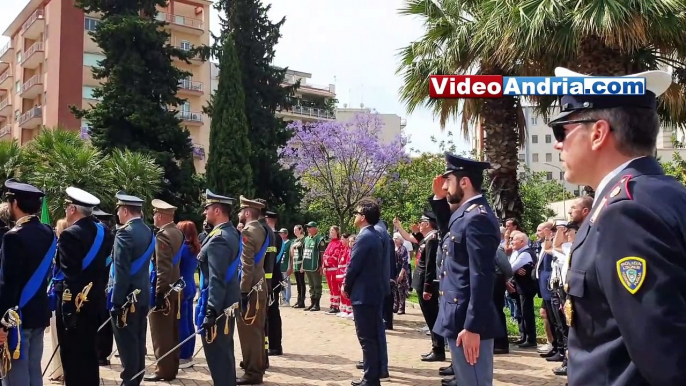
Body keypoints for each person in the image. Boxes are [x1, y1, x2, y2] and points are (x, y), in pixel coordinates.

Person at [548, 67, 686, 386]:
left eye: (562, 131)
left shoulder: (625, 213)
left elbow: (664, 356)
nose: (558, 146)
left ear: (598, 133)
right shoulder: (665, 194)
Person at [433, 154, 501, 386]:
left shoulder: (477, 218)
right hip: (459, 317)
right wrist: (439, 199)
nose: (444, 186)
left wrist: (472, 326)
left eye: (447, 180)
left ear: (464, 182)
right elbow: (448, 233)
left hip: (468, 322)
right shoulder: (466, 214)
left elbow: (481, 275)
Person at [0, 179, 55, 386]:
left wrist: (2, 323)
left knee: (14, 372)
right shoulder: (48, 232)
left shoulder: (13, 237)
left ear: (14, 204)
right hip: (38, 311)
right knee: (33, 368)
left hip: (16, 316)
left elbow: (8, 284)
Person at [54, 188, 110, 386]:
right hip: (95, 301)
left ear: (72, 209)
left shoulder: (70, 235)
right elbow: (105, 267)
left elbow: (71, 276)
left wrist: (68, 310)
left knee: (72, 358)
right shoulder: (104, 231)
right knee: (89, 355)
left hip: (75, 304)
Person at [109, 191, 155, 386]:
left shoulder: (124, 233)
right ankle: (136, 377)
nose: (118, 214)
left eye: (119, 210)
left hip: (127, 297)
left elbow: (121, 271)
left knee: (126, 342)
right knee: (137, 340)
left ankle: (129, 380)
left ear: (125, 210)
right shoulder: (147, 230)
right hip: (142, 294)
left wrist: (116, 302)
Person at [196, 190, 241, 386]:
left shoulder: (219, 238)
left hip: (219, 304)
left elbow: (217, 278)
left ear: (216, 210)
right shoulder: (230, 232)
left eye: (207, 209)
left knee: (218, 355)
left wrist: (211, 310)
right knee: (223, 351)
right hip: (227, 300)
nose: (205, 213)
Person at [343, 198, 385, 386]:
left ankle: (370, 378)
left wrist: (346, 287)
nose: (355, 216)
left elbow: (354, 267)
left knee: (367, 338)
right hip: (372, 293)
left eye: (357, 213)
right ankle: (372, 376)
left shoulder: (364, 236)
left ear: (364, 217)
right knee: (372, 337)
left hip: (364, 295)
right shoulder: (374, 235)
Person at [144, 199, 184, 381]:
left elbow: (163, 268)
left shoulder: (163, 235)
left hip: (165, 290)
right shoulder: (177, 232)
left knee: (161, 334)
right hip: (175, 288)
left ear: (159, 215)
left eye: (154, 214)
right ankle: (172, 367)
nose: (153, 217)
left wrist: (159, 293)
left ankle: (164, 370)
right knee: (172, 332)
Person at [236, 196, 269, 385]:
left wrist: (242, 291)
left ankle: (252, 373)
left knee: (249, 332)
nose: (239, 214)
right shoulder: (262, 229)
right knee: (257, 330)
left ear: (247, 213)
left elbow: (246, 265)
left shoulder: (248, 232)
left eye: (241, 211)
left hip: (251, 289)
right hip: (260, 286)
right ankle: (257, 367)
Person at [92, 207, 116, 367]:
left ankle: (99, 353)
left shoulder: (98, 237)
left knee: (98, 320)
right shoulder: (112, 236)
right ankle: (104, 354)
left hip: (99, 283)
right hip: (109, 284)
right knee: (106, 321)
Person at [177, 220, 200, 369]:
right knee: (188, 322)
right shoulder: (193, 247)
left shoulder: (183, 249)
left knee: (182, 322)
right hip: (190, 284)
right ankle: (189, 352)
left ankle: (184, 355)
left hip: (183, 287)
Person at [48, 218, 68, 384]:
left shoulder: (62, 248)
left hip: (60, 292)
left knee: (58, 336)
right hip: (58, 290)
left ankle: (59, 370)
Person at [261, 208, 282, 357]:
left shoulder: (273, 236)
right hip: (273, 278)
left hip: (271, 279)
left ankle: (274, 345)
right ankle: (274, 344)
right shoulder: (275, 236)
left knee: (271, 314)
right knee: (271, 313)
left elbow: (271, 261)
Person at [301, 221, 326, 311]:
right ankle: (312, 303)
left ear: (315, 228)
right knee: (311, 285)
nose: (308, 229)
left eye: (310, 227)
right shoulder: (306, 239)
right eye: (307, 227)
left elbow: (322, 254)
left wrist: (321, 266)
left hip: (315, 265)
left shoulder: (320, 239)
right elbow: (304, 253)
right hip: (307, 265)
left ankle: (317, 304)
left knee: (317, 285)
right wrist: (302, 265)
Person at [322, 226, 346, 314]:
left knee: (335, 288)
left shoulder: (339, 243)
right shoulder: (330, 243)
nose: (330, 232)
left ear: (337, 232)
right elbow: (325, 254)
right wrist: (324, 265)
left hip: (334, 269)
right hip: (328, 269)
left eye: (332, 230)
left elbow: (335, 256)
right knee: (331, 288)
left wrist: (327, 262)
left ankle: (336, 306)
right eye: (330, 230)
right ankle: (332, 304)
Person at [337, 234, 355, 318]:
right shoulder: (348, 251)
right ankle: (345, 309)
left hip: (350, 275)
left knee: (349, 293)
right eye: (350, 241)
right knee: (344, 292)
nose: (351, 243)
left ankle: (351, 310)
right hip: (344, 274)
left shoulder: (353, 252)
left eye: (352, 241)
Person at [289, 225, 306, 308]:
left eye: (296, 230)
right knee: (298, 284)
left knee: (302, 283)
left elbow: (304, 253)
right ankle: (298, 300)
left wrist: (303, 265)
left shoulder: (304, 240)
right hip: (295, 264)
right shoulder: (295, 241)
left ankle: (302, 301)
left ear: (300, 230)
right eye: (294, 230)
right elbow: (292, 254)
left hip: (301, 264)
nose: (295, 232)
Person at [277, 228, 293, 306]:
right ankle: (283, 298)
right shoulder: (280, 243)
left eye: (282, 233)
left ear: (286, 234)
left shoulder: (289, 243)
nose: (280, 235)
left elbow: (291, 257)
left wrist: (290, 267)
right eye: (280, 233)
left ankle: (287, 299)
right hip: (280, 266)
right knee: (281, 284)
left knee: (286, 284)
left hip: (286, 266)